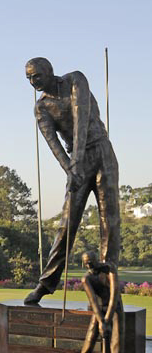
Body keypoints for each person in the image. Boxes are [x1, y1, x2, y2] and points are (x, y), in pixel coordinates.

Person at [24, 57, 120, 304]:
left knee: (109, 220)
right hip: (77, 164)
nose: (33, 82)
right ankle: (46, 283)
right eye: (29, 79)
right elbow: (53, 144)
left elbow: (81, 120)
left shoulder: (76, 80)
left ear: (49, 72)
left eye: (37, 76)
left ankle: (106, 283)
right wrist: (70, 169)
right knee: (67, 222)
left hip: (101, 151)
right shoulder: (41, 107)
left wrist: (75, 163)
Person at [65, 251, 123, 353]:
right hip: (99, 311)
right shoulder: (87, 279)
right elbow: (94, 303)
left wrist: (107, 319)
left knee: (116, 343)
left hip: (114, 309)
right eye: (86, 263)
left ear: (97, 259)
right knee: (89, 340)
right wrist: (102, 322)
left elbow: (114, 296)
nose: (89, 265)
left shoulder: (109, 268)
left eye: (91, 262)